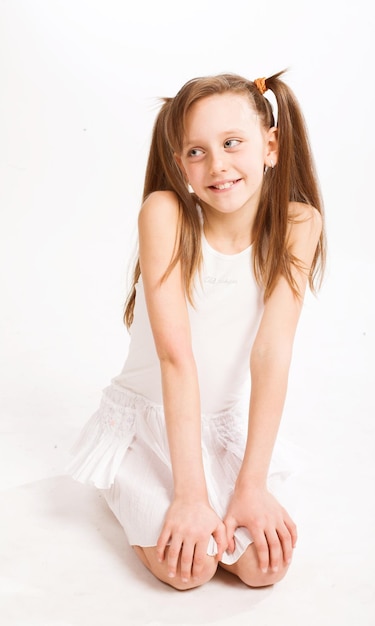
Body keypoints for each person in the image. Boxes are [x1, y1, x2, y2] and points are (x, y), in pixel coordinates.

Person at [68, 70, 326, 591]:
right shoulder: (165, 215)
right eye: (196, 151)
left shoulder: (300, 225)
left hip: (219, 423)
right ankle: (128, 481)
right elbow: (175, 359)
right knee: (191, 570)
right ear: (180, 163)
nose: (218, 165)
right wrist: (189, 495)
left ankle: (228, 484)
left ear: (270, 146)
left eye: (232, 143)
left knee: (261, 568)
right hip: (148, 417)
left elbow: (272, 353)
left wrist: (250, 485)